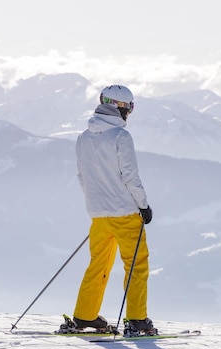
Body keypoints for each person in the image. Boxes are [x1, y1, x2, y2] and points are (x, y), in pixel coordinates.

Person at [71, 85, 154, 334]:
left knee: (98, 264)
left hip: (98, 213)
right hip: (125, 213)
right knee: (136, 266)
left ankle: (85, 316)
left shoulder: (84, 137)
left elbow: (82, 176)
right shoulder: (120, 137)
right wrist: (144, 205)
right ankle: (137, 320)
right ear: (122, 107)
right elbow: (130, 176)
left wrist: (98, 205)